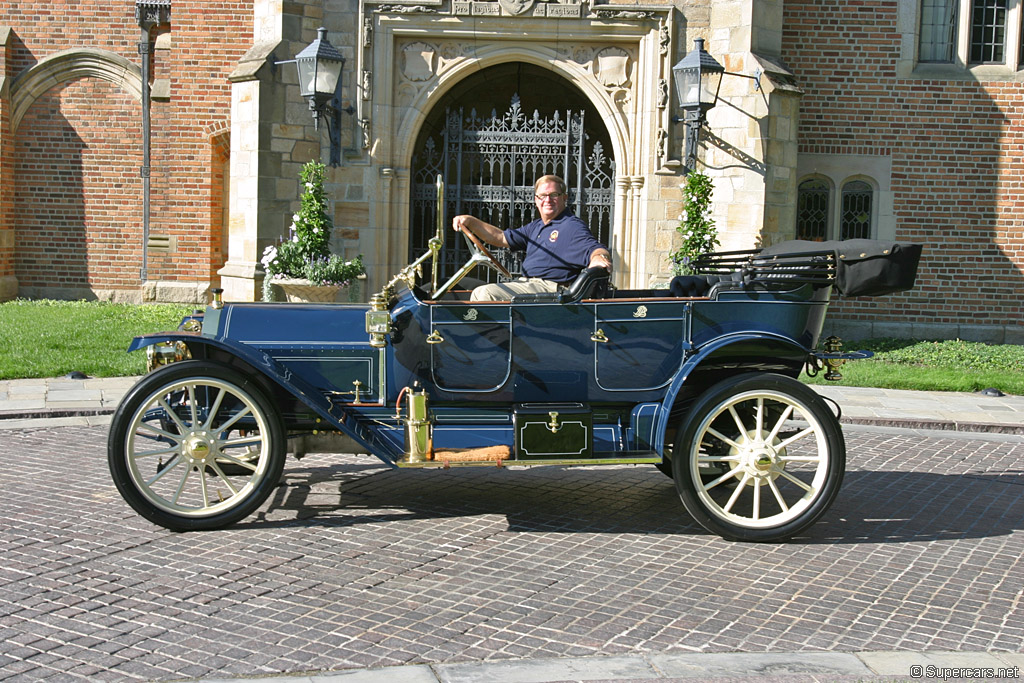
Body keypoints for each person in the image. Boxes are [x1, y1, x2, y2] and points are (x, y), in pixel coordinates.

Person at [452, 175, 612, 302]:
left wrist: (600, 257)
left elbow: (594, 248)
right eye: (543, 196)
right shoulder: (535, 227)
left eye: (553, 195)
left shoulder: (571, 226)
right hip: (527, 284)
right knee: (457, 287)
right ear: (536, 200)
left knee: (485, 293)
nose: (547, 200)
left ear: (564, 198)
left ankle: (491, 342)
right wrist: (471, 221)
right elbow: (500, 237)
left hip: (550, 290)